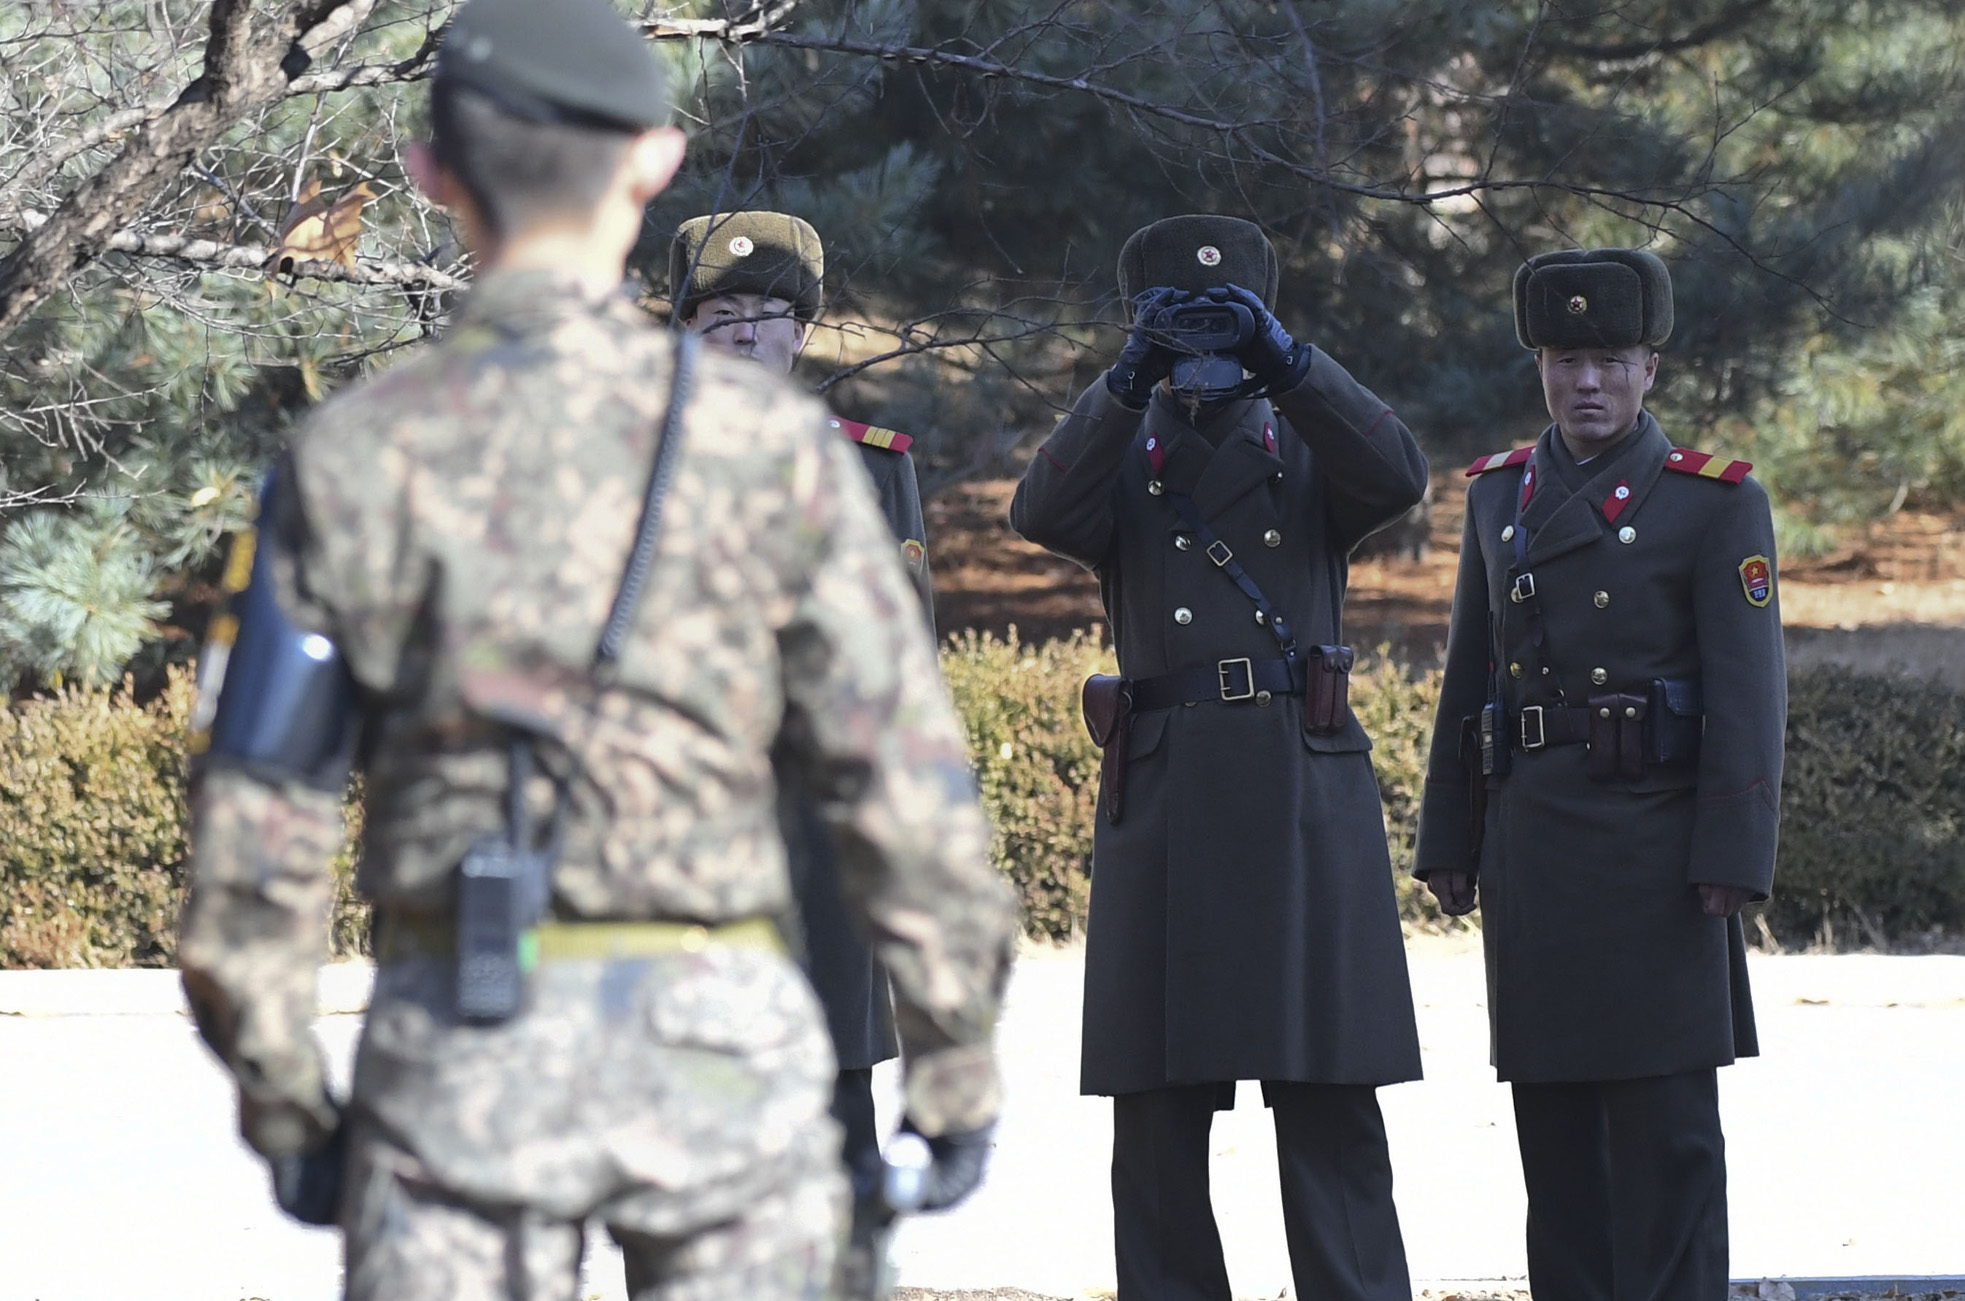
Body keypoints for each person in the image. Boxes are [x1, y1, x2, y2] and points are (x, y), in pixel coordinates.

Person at [175, 1, 1016, 1297]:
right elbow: (900, 785)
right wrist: (954, 1068)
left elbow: (256, 818)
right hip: (723, 1056)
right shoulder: (775, 455)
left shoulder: (348, 459)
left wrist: (287, 1100)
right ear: (653, 162)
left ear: (432, 172)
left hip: (458, 1048)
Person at [1010, 214, 1429, 1301]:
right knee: (1154, 1122)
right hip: (1166, 797)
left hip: (1295, 789)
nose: (1200, 346)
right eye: (1175, 321)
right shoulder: (1124, 447)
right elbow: (1037, 509)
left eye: (1219, 321)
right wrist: (1123, 378)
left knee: (1327, 1101)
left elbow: (1395, 475)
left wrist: (1286, 362)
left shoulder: (1302, 440)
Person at [1412, 247, 1786, 1301]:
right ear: (1539, 364)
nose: (1586, 382)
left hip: (1658, 857)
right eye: (1566, 358)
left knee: (1668, 1139)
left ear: (1648, 368)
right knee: (1555, 1139)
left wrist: (1731, 855)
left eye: (1609, 359)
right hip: (1534, 851)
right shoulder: (1496, 497)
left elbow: (1748, 695)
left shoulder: (1710, 502)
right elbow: (1467, 672)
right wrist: (1449, 835)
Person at [664, 209, 933, 1296]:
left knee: (835, 1102)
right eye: (716, 315)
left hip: (820, 839)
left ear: (801, 332)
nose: (739, 338)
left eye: (762, 315)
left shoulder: (869, 469)